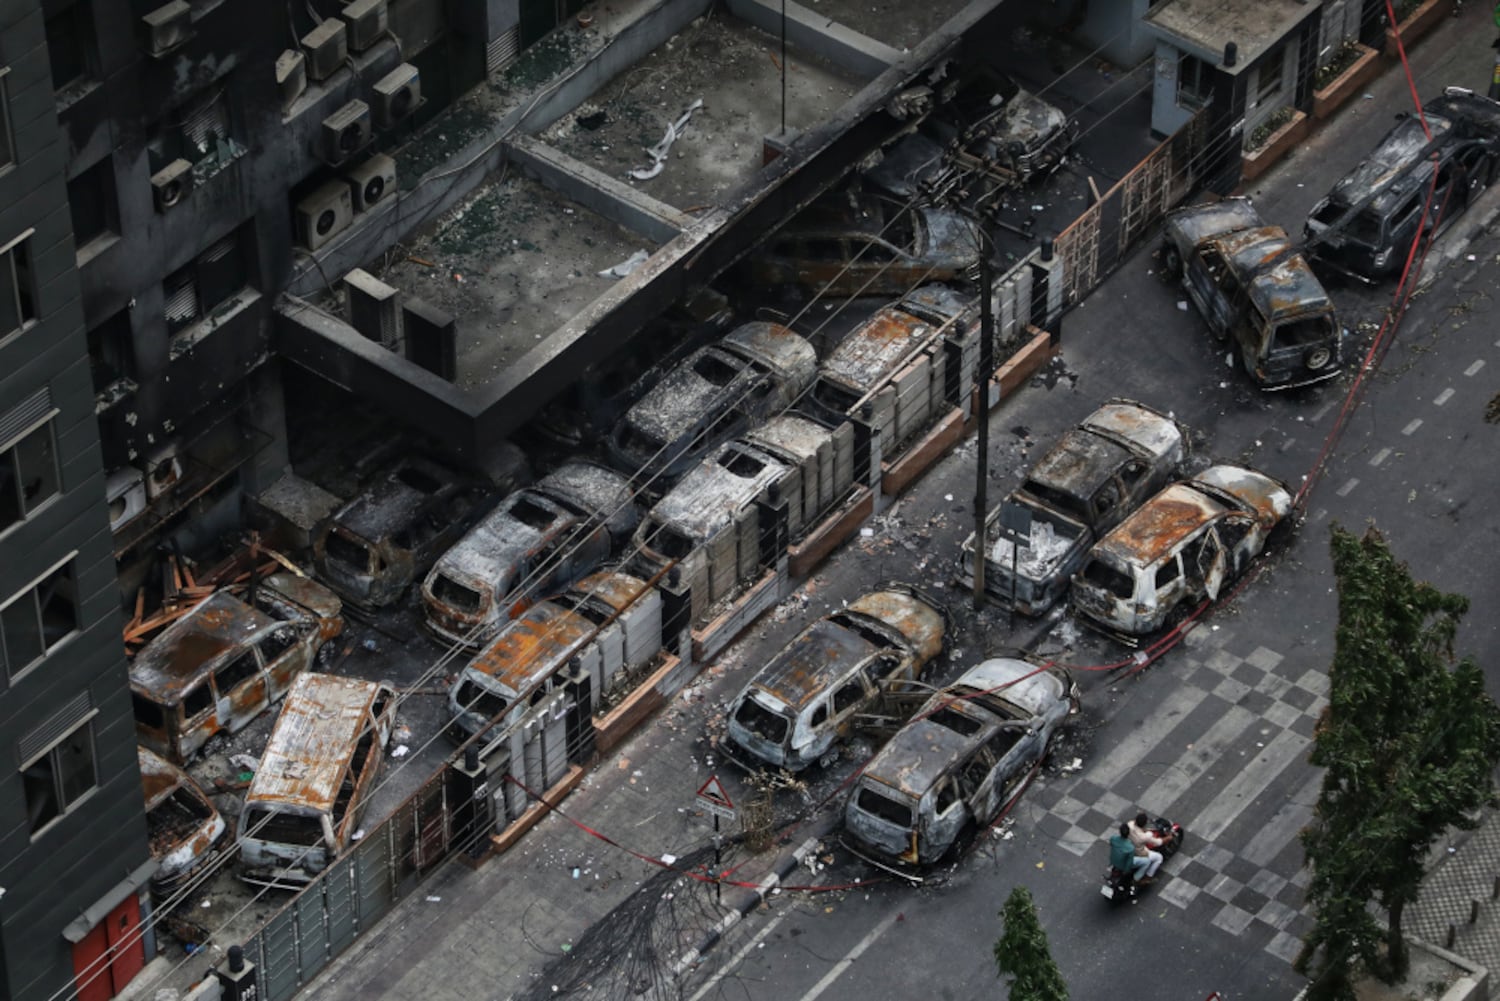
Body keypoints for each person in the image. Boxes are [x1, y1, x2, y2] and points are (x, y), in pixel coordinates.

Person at [1128, 812, 1166, 883]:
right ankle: (1147, 878)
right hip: (1139, 854)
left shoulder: (1129, 824)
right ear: (1144, 824)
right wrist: (1168, 838)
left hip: (1128, 850)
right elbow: (1158, 842)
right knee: (1159, 857)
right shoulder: (1145, 836)